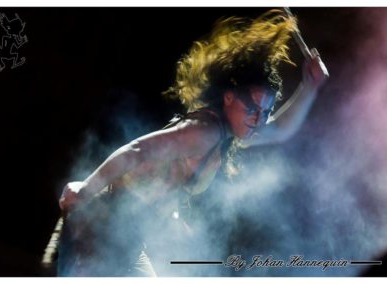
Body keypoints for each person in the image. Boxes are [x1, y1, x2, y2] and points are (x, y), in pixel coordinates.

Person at [58, 9, 328, 276]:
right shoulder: (205, 131)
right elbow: (137, 150)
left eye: (265, 112)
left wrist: (309, 86)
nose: (259, 119)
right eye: (253, 108)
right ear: (229, 98)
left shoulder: (229, 132)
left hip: (125, 242)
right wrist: (85, 189)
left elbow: (280, 129)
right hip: (98, 227)